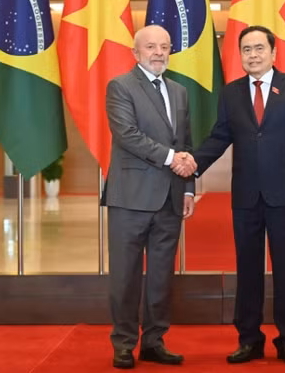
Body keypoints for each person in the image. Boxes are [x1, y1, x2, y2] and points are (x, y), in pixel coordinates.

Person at [193, 25, 285, 366]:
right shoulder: (230, 93)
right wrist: (192, 164)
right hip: (246, 196)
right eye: (246, 49)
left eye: (259, 48)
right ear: (240, 55)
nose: (253, 55)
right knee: (247, 270)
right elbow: (219, 137)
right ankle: (249, 340)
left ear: (273, 52)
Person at [104, 24, 197, 369]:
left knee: (161, 276)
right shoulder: (120, 86)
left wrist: (189, 187)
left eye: (164, 47)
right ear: (135, 52)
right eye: (151, 47)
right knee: (125, 276)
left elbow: (185, 141)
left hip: (171, 198)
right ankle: (124, 343)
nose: (158, 53)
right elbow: (127, 134)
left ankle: (155, 341)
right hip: (130, 199)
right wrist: (173, 159)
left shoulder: (180, 91)